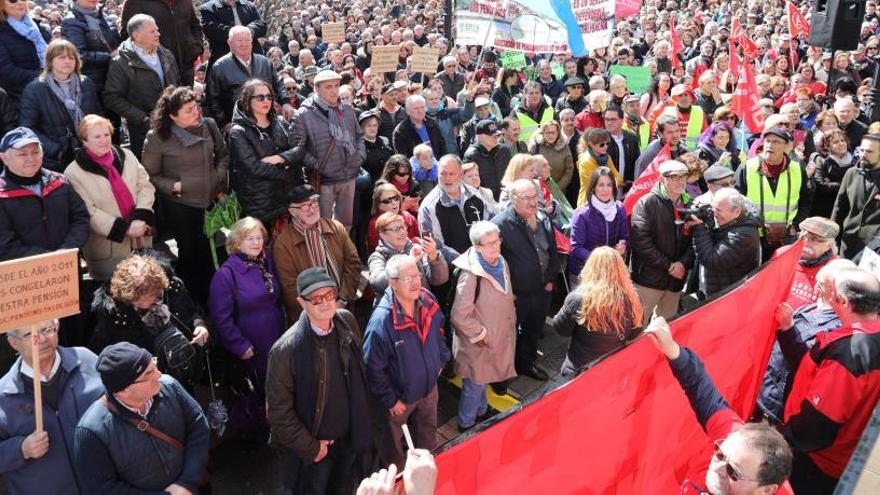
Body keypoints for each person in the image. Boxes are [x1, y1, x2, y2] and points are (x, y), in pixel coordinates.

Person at [644, 317, 794, 495]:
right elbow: (702, 390)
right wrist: (672, 350)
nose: (717, 468)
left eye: (733, 472)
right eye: (719, 454)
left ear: (767, 490)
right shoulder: (733, 436)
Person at [265, 267, 373, 493]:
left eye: (329, 295)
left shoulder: (346, 321)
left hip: (349, 438)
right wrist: (312, 448)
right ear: (301, 302)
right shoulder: (285, 350)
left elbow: (361, 370)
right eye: (315, 299)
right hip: (317, 451)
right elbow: (278, 412)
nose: (325, 303)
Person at [777, 267, 880, 493]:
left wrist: (784, 439)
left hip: (818, 462)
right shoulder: (870, 338)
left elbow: (818, 423)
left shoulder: (848, 353)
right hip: (848, 458)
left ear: (842, 301)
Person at [74, 342, 210, 494]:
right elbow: (102, 489)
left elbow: (198, 425)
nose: (159, 375)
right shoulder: (92, 431)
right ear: (124, 390)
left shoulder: (170, 386)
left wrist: (187, 482)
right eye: (148, 374)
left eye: (154, 365)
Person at [142, 85, 228, 305]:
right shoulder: (157, 137)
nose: (195, 112)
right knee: (189, 254)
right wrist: (175, 186)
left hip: (208, 201)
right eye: (188, 110)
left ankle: (215, 299)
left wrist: (217, 177)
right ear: (173, 116)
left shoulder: (208, 125)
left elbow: (223, 155)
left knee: (211, 252)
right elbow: (150, 174)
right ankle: (193, 303)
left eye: (195, 107)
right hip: (181, 205)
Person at [363, 254, 451, 468]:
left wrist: (440, 361)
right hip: (400, 399)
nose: (415, 282)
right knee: (392, 442)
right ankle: (399, 475)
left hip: (429, 388)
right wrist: (390, 400)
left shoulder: (427, 298)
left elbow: (440, 331)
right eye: (407, 278)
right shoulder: (381, 323)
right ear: (392, 283)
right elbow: (373, 367)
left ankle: (427, 467)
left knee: (427, 431)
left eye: (417, 275)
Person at [0, 319, 103, 495]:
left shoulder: (86, 360)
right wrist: (20, 449)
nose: (40, 339)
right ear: (13, 342)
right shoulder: (4, 394)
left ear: (57, 326)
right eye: (28, 334)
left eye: (47, 329)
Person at [209, 217, 284, 433]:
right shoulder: (226, 274)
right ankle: (266, 431)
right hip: (253, 345)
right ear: (237, 242)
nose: (256, 243)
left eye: (259, 237)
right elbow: (220, 318)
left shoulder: (266, 262)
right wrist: (239, 345)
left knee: (281, 381)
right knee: (262, 388)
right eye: (250, 238)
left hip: (276, 334)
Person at [757, 258, 854, 425]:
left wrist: (788, 328)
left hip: (779, 405)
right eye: (818, 282)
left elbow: (805, 364)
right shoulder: (813, 306)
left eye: (822, 285)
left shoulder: (839, 327)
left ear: (839, 292)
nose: (816, 289)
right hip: (766, 391)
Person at [90, 254, 209, 389]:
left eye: (152, 296)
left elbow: (191, 312)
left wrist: (200, 325)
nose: (149, 302)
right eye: (139, 301)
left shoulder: (172, 288)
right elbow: (101, 355)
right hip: (146, 384)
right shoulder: (115, 315)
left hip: (180, 367)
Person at [64, 115, 156, 281]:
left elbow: (145, 186)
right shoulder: (73, 173)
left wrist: (140, 218)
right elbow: (88, 211)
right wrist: (123, 228)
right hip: (108, 249)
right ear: (84, 141)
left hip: (140, 236)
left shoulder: (127, 155)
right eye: (97, 136)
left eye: (106, 135)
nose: (103, 140)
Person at [449, 220, 517, 430]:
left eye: (497, 241)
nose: (496, 246)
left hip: (496, 336)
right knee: (474, 384)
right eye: (489, 244)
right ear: (477, 247)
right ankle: (466, 424)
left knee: (483, 380)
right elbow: (459, 315)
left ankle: (482, 410)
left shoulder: (500, 260)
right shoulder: (470, 275)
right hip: (479, 343)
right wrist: (481, 334)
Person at [493, 179, 560, 381]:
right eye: (526, 198)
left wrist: (549, 281)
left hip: (542, 291)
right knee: (508, 336)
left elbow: (553, 253)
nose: (533, 202)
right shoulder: (500, 225)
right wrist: (508, 292)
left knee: (533, 330)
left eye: (534, 197)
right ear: (513, 199)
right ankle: (502, 373)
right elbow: (495, 263)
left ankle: (526, 364)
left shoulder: (543, 218)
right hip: (516, 296)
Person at [273, 185, 362, 323]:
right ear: (292, 211)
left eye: (315, 203)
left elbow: (353, 264)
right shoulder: (283, 244)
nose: (312, 209)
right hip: (310, 318)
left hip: (342, 307)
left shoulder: (336, 228)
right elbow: (290, 288)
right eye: (305, 206)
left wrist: (342, 300)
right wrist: (322, 311)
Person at [0, 127, 89, 262]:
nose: (31, 159)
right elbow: (4, 243)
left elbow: (81, 217)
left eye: (36, 152)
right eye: (22, 154)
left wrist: (67, 250)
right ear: (4, 158)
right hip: (26, 275)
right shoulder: (2, 194)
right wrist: (48, 259)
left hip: (67, 265)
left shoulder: (60, 181)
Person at [291, 69, 364, 231]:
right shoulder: (303, 114)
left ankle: (342, 254)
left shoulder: (347, 110)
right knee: (323, 226)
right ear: (316, 89)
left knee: (345, 225)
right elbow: (297, 147)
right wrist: (317, 165)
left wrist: (359, 157)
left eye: (336, 86)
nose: (333, 90)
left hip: (348, 176)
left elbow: (359, 135)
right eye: (328, 86)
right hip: (324, 180)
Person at [552, 246, 642, 375]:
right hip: (611, 370)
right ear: (621, 270)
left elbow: (561, 329)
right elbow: (634, 333)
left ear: (590, 268)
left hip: (578, 370)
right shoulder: (634, 299)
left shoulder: (578, 298)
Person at [228, 79, 301, 231]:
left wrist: (280, 158)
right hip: (260, 200)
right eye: (260, 97)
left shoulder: (280, 121)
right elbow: (253, 167)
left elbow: (300, 149)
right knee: (265, 247)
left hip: (288, 195)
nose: (266, 101)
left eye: (269, 97)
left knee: (289, 247)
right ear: (248, 100)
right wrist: (287, 170)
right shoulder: (238, 132)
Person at [104, 14, 181, 158]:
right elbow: (112, 97)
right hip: (143, 132)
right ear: (137, 36)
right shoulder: (120, 63)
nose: (158, 34)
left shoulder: (167, 54)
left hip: (174, 125)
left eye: (157, 30)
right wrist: (143, 119)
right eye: (152, 31)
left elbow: (176, 83)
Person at [19, 40, 101, 173]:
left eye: (71, 57)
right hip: (58, 160)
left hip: (90, 151)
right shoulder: (35, 89)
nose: (67, 61)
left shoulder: (86, 83)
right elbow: (28, 128)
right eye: (61, 57)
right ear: (50, 61)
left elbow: (97, 115)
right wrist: (56, 150)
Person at [630, 160, 694, 322]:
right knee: (636, 327)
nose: (680, 181)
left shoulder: (690, 203)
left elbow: (696, 239)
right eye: (674, 177)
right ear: (661, 179)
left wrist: (682, 264)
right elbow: (641, 242)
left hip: (675, 281)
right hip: (648, 280)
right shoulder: (646, 203)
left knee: (665, 329)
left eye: (683, 176)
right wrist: (669, 266)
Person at [735, 128, 813, 260]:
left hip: (787, 235)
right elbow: (737, 201)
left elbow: (806, 199)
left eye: (776, 142)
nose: (770, 145)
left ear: (787, 146)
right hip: (755, 234)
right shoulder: (747, 168)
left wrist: (796, 224)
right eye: (767, 141)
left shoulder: (797, 169)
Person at [205, 26, 292, 127]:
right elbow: (212, 99)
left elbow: (278, 84)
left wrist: (286, 103)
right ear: (229, 42)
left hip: (268, 121)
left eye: (247, 40)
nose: (244, 44)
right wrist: (224, 123)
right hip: (238, 125)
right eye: (239, 40)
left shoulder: (264, 62)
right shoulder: (219, 67)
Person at [686, 188, 762, 297]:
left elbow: (712, 260)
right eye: (713, 209)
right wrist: (708, 224)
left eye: (719, 210)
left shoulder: (743, 235)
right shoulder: (736, 222)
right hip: (721, 286)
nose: (714, 214)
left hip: (730, 296)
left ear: (737, 211)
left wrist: (699, 229)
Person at [418, 154, 491, 260]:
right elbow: (436, 247)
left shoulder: (475, 195)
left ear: (461, 175)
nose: (447, 178)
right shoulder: (429, 207)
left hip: (485, 259)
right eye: (443, 174)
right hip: (456, 269)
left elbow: (491, 224)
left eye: (452, 174)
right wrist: (467, 262)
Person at [120, 0, 203, 86]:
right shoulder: (135, 2)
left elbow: (195, 25)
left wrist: (197, 47)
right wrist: (149, 57)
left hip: (187, 65)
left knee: (186, 98)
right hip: (157, 71)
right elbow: (127, 34)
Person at [568, 167, 628, 283]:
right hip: (584, 273)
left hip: (610, 272)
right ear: (593, 187)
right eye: (601, 185)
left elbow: (624, 236)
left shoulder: (619, 209)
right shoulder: (581, 213)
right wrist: (601, 259)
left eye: (609, 185)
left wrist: (623, 245)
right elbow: (575, 248)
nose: (605, 190)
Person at [367, 211, 448, 297]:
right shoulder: (378, 257)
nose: (402, 232)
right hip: (395, 309)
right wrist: (409, 263)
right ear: (383, 235)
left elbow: (439, 280)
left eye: (403, 227)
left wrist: (433, 256)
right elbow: (377, 283)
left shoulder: (415, 249)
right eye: (396, 229)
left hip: (423, 306)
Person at [832, 133, 880, 259]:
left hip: (875, 249)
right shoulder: (851, 173)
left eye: (869, 151)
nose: (863, 155)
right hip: (848, 244)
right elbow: (839, 209)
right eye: (862, 150)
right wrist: (831, 239)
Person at [60, 0, 121, 95]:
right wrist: (109, 56)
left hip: (113, 74)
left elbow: (113, 43)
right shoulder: (71, 21)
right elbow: (79, 54)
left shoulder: (103, 15)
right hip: (92, 80)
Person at [0, 0, 50, 105]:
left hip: (45, 88)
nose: (20, 2)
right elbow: (7, 71)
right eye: (13, 0)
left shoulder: (35, 26)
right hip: (19, 97)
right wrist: (44, 76)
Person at [199, 0, 266, 67]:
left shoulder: (249, 6)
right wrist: (237, 33)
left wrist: (249, 30)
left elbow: (262, 24)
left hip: (254, 60)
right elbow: (211, 29)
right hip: (224, 63)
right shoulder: (208, 8)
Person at [463, 119, 511, 201]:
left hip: (505, 198)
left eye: (498, 135)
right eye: (493, 135)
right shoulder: (471, 155)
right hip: (484, 202)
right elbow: (470, 185)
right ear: (481, 136)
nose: (496, 138)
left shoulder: (504, 150)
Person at [811, 129, 855, 219]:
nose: (841, 144)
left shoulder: (853, 161)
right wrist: (846, 183)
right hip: (825, 209)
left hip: (846, 208)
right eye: (836, 142)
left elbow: (857, 184)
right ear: (827, 146)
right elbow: (821, 186)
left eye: (843, 140)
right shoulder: (821, 160)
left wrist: (832, 182)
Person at [576, 128, 623, 207]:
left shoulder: (607, 158)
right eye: (602, 144)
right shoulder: (585, 162)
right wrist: (611, 182)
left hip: (606, 202)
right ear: (591, 144)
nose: (605, 147)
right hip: (588, 203)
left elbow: (619, 179)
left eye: (607, 143)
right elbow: (594, 186)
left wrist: (608, 183)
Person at [392, 94, 445, 160]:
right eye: (416, 108)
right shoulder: (401, 131)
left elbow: (443, 148)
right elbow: (403, 158)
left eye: (422, 107)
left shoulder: (433, 124)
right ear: (408, 111)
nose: (420, 111)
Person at [528, 120, 574, 193]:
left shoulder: (564, 147)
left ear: (558, 133)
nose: (550, 135)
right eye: (547, 133)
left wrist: (557, 187)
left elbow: (569, 171)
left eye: (553, 132)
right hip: (537, 191)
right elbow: (528, 167)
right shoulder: (536, 146)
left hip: (558, 191)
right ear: (543, 133)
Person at [604, 105, 641, 192]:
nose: (609, 123)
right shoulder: (600, 140)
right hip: (607, 190)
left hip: (628, 190)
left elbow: (637, 163)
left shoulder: (632, 138)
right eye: (607, 119)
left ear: (622, 120)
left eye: (613, 119)